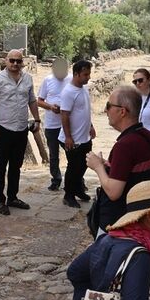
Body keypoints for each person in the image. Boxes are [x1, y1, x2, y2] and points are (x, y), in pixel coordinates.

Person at [86, 86, 150, 235]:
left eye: (109, 106)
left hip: (118, 224)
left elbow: (114, 192)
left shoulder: (125, 146)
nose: (105, 111)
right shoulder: (147, 136)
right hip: (139, 219)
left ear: (122, 111)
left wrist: (98, 167)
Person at [0, 49, 41, 215]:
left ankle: (12, 197)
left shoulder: (28, 79)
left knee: (16, 165)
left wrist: (37, 119)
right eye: (12, 61)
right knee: (1, 167)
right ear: (6, 61)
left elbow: (32, 100)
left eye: (18, 61)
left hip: (21, 128)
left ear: (22, 62)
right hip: (4, 128)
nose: (15, 64)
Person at [59, 60, 96, 208]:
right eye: (85, 74)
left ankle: (79, 190)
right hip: (72, 139)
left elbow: (84, 110)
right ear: (76, 74)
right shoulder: (69, 92)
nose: (88, 77)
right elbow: (64, 115)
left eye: (89, 74)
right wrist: (68, 137)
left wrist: (91, 126)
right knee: (74, 167)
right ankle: (68, 195)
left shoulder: (83, 88)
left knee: (83, 165)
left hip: (84, 137)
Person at [37, 58, 72, 191]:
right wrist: (51, 107)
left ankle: (76, 180)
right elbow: (39, 101)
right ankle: (56, 179)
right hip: (52, 124)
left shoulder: (72, 80)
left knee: (72, 154)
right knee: (53, 154)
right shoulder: (48, 80)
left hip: (67, 124)